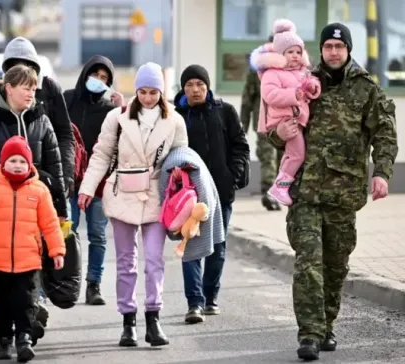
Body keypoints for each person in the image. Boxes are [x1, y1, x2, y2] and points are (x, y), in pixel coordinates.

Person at [267, 23, 398, 361]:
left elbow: (384, 132)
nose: (334, 52)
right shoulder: (302, 80)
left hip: (343, 194)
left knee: (335, 265)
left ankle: (326, 324)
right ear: (322, 50)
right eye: (328, 47)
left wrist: (381, 173)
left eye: (340, 47)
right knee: (308, 263)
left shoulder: (366, 88)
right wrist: (279, 133)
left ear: (348, 50)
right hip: (305, 192)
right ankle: (309, 335)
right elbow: (275, 126)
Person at [78, 62, 188, 347]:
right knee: (126, 262)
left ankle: (154, 319)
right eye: (142, 91)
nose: (148, 97)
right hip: (122, 192)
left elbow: (182, 158)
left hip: (157, 194)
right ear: (136, 90)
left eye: (153, 92)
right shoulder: (117, 117)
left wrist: (183, 182)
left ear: (161, 93)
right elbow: (100, 155)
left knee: (154, 260)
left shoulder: (175, 121)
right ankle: (128, 322)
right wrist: (87, 188)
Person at [0, 64, 66, 344]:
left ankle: (26, 325)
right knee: (2, 278)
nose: (31, 93)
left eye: (34, 88)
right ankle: (5, 328)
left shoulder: (41, 119)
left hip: (34, 204)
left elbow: (55, 164)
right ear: (9, 88)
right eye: (26, 88)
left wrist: (62, 208)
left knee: (29, 270)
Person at [0, 135, 66, 362]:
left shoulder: (39, 190)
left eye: (22, 161)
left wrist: (57, 250)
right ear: (3, 163)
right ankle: (4, 339)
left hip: (29, 259)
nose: (18, 165)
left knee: (27, 301)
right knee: (1, 302)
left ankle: (24, 339)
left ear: (30, 164)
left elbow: (50, 224)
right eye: (12, 161)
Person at [173, 64, 249, 324]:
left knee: (217, 246)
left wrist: (233, 177)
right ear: (183, 88)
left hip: (221, 193)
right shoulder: (176, 117)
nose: (195, 90)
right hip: (188, 197)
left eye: (200, 85)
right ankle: (194, 303)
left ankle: (210, 297)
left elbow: (240, 146)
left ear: (207, 86)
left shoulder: (224, 111)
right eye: (190, 85)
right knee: (191, 245)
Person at [0, 36, 74, 205]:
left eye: (27, 65)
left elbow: (65, 135)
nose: (21, 72)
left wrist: (64, 177)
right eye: (15, 66)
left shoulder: (49, 89)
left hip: (40, 184)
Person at [62, 55, 123, 305]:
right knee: (67, 232)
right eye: (95, 75)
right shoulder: (67, 100)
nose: (98, 81)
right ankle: (65, 281)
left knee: (97, 235)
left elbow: (127, 139)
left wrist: (124, 109)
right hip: (71, 180)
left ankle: (93, 284)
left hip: (99, 181)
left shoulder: (110, 110)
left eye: (104, 78)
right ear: (85, 74)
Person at [253, 19, 321, 206]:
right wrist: (294, 94)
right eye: (290, 52)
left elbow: (312, 85)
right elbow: (270, 95)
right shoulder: (272, 73)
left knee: (291, 155)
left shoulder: (301, 72)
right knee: (298, 154)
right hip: (284, 120)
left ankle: (279, 185)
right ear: (280, 54)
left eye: (298, 52)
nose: (295, 56)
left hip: (297, 119)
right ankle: (280, 187)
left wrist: (313, 88)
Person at [240, 35, 282, 211]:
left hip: (282, 120)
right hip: (266, 119)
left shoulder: (291, 67)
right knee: (269, 157)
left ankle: (277, 192)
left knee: (280, 158)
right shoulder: (258, 68)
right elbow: (248, 97)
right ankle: (269, 192)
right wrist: (243, 125)